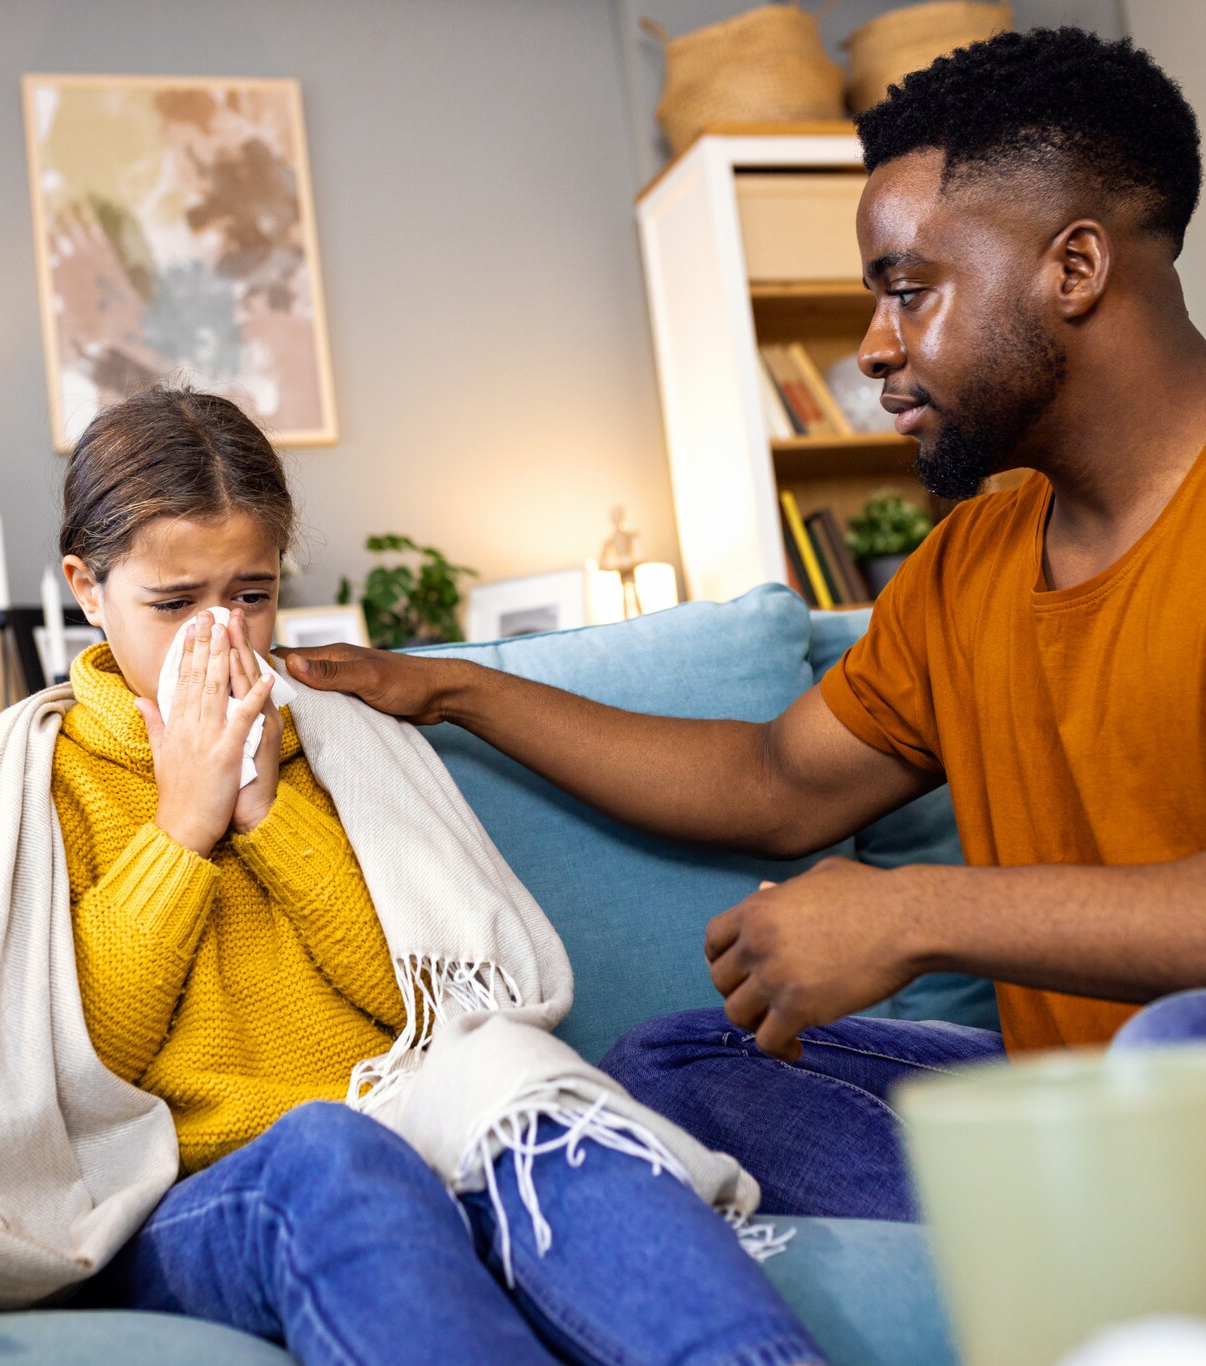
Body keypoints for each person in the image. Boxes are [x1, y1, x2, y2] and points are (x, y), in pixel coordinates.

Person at [280, 28, 1206, 1317]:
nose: (871, 347)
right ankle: (1101, 1220)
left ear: (1074, 267)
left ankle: (1138, 1229)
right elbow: (773, 779)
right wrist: (451, 690)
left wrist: (918, 914)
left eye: (906, 289)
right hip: (1116, 1111)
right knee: (683, 1066)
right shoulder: (974, 557)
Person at [50, 386, 826, 1366]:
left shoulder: (332, 743)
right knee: (331, 1150)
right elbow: (84, 1063)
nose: (221, 637)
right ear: (86, 585)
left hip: (412, 1118)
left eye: (249, 595)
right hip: (190, 1190)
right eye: (172, 603)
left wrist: (265, 813)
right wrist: (185, 824)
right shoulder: (50, 776)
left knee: (534, 1101)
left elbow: (427, 997)